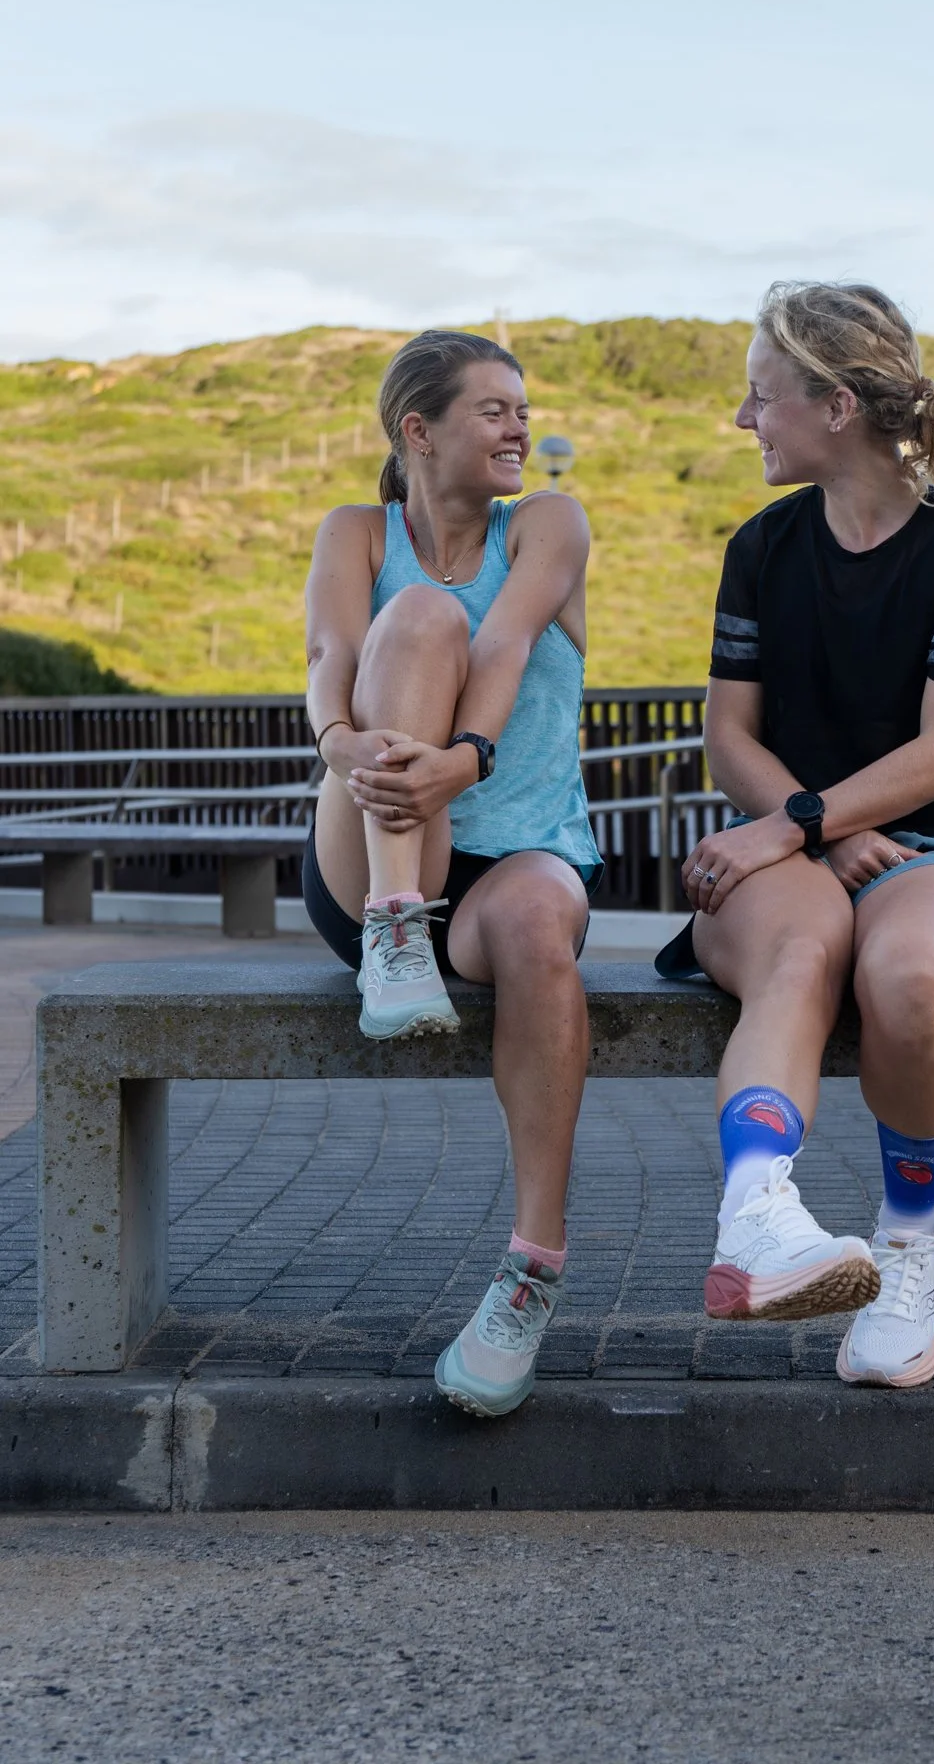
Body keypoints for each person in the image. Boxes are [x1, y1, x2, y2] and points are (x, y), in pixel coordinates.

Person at [656, 281, 934, 1388]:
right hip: (783, 846)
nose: (743, 417)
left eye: (761, 395)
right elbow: (728, 736)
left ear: (836, 406)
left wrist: (807, 822)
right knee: (800, 949)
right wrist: (812, 834)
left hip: (932, 850)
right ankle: (756, 1220)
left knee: (914, 971)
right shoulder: (762, 545)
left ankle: (905, 1256)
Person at [302, 328, 602, 1418]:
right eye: (493, 409)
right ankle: (395, 928)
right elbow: (330, 658)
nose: (518, 426)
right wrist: (343, 743)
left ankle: (530, 1271)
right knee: (419, 615)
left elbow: (508, 643)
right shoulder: (355, 532)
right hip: (374, 847)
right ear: (418, 431)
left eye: (523, 409)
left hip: (516, 848)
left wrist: (463, 760)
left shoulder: (548, 524)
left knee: (537, 928)